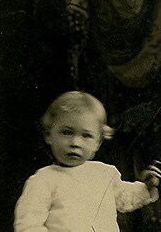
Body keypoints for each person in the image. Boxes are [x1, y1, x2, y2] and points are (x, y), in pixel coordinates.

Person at [14, 91, 160, 232]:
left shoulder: (105, 174)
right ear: (49, 135)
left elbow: (125, 198)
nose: (75, 142)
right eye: (67, 132)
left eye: (86, 135)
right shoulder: (43, 180)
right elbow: (28, 224)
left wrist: (146, 188)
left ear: (98, 141)